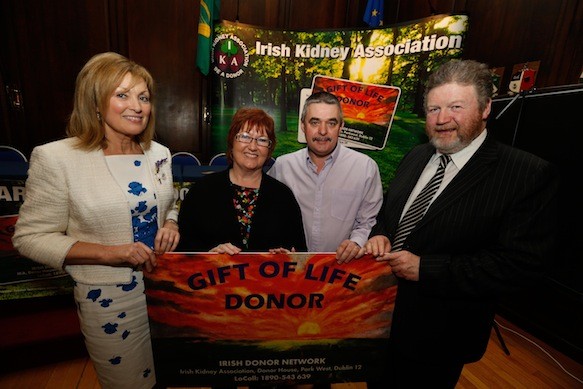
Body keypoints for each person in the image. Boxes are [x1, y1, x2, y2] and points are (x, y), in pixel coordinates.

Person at [361, 59, 558, 388]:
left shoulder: (525, 174)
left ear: (485, 108)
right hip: (380, 322)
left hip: (439, 338)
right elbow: (387, 217)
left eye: (455, 106)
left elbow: (521, 264)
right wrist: (380, 235)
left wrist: (427, 269)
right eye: (434, 108)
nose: (442, 119)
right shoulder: (416, 156)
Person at [12, 52, 180, 389]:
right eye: (122, 95)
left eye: (143, 97)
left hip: (164, 290)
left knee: (168, 374)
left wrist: (171, 223)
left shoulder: (159, 154)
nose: (137, 106)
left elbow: (169, 202)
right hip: (108, 299)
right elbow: (28, 237)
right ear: (95, 101)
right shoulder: (57, 158)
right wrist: (111, 253)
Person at [268, 91, 383, 263]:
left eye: (331, 123)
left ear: (341, 126)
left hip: (342, 269)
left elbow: (368, 222)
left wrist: (356, 242)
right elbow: (269, 216)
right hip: (291, 269)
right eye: (314, 122)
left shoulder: (365, 168)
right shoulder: (283, 167)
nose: (323, 131)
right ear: (302, 125)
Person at [177, 107, 307, 254]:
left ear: (269, 149)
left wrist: (290, 258)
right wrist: (209, 257)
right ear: (232, 141)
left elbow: (300, 252)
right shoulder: (201, 191)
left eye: (262, 140)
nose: (252, 146)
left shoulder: (283, 196)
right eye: (245, 137)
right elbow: (182, 252)